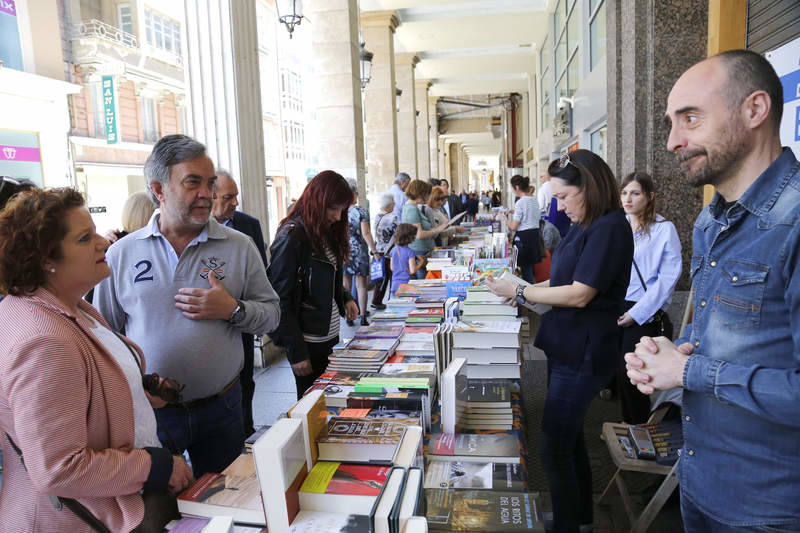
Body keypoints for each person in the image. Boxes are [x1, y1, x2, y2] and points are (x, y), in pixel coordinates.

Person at [625, 50, 800, 532]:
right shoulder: (709, 221)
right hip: (700, 484)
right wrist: (672, 356)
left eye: (691, 118)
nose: (672, 141)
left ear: (755, 109)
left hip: (769, 509)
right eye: (670, 123)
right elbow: (726, 339)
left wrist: (689, 370)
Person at [0, 188, 194, 532]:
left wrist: (136, 391)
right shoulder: (44, 341)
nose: (103, 243)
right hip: (78, 521)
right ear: (45, 259)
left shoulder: (62, 305)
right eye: (84, 238)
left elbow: (77, 390)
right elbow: (59, 468)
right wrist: (158, 467)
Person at [94, 134, 281, 478]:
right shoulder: (122, 254)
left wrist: (232, 310)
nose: (206, 194)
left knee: (225, 499)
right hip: (153, 413)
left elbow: (271, 315)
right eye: (193, 182)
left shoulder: (239, 246)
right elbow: (104, 337)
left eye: (210, 183)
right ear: (159, 189)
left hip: (222, 408)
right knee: (160, 502)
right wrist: (137, 386)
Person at [486, 149, 633, 533]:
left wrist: (522, 292)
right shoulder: (587, 224)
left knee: (554, 446)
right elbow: (564, 280)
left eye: (565, 197)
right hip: (569, 345)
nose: (561, 207)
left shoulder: (609, 228)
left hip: (584, 350)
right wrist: (524, 289)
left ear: (590, 187)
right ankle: (578, 517)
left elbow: (580, 293)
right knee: (568, 440)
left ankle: (568, 524)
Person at [268, 171, 359, 399]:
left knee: (329, 401)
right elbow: (279, 300)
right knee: (311, 405)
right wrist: (296, 352)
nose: (337, 216)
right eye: (332, 208)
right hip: (308, 342)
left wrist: (346, 296)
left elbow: (326, 278)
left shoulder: (326, 232)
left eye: (342, 210)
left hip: (329, 336)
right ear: (317, 201)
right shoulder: (292, 237)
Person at [614, 171, 682, 424]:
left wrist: (637, 313)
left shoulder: (664, 229)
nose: (628, 199)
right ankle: (627, 423)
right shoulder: (617, 225)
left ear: (649, 196)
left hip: (644, 309)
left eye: (635, 193)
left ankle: (639, 428)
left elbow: (667, 278)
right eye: (624, 193)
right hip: (614, 304)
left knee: (634, 373)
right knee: (617, 370)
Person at [212, 170, 268, 438]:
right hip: (207, 330)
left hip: (240, 319)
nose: (235, 202)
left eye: (236, 196)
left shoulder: (248, 225)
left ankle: (246, 431)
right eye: (228, 197)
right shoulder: (190, 233)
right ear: (210, 196)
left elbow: (262, 276)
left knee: (245, 382)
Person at [344, 179, 377, 326]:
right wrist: (374, 250)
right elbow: (366, 233)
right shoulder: (361, 211)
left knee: (346, 285)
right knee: (361, 286)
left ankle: (348, 316)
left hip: (344, 251)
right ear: (353, 194)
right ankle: (363, 316)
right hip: (360, 253)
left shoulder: (340, 211)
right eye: (356, 192)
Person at [498, 175, 541, 284]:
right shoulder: (534, 200)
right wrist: (513, 211)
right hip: (535, 236)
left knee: (526, 271)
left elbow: (513, 227)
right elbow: (529, 214)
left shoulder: (520, 202)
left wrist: (504, 219)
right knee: (530, 268)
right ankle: (531, 288)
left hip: (524, 238)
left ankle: (528, 291)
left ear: (516, 187)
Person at [401, 180, 448, 277]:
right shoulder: (411, 209)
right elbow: (419, 234)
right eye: (427, 194)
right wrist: (438, 229)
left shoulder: (414, 207)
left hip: (423, 251)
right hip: (420, 253)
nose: (428, 197)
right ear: (420, 194)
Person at [371, 193, 398, 310]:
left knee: (381, 277)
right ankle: (393, 299)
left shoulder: (377, 217)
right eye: (393, 203)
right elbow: (397, 234)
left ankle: (376, 300)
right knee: (392, 276)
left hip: (379, 250)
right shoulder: (393, 217)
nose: (394, 204)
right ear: (388, 205)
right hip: (390, 252)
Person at [389, 223, 425, 296]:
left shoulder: (393, 250)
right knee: (420, 295)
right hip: (405, 285)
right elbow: (412, 271)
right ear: (410, 238)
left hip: (394, 285)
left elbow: (392, 268)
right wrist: (421, 262)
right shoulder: (410, 252)